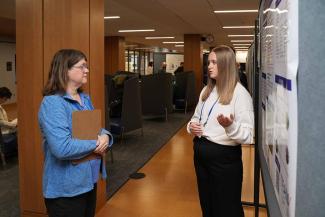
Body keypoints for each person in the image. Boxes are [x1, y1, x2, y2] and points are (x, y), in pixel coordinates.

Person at [38, 49, 113, 217]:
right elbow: (61, 148)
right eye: (82, 66)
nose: (87, 70)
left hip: (89, 181)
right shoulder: (52, 104)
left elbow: (96, 130)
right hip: (66, 190)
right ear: (65, 70)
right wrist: (96, 143)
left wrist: (106, 136)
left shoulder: (84, 98)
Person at [187, 45, 254, 217]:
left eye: (214, 62)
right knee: (207, 204)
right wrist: (191, 126)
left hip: (224, 161)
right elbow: (196, 117)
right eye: (209, 62)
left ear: (225, 65)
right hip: (201, 155)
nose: (209, 66)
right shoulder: (207, 90)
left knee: (227, 208)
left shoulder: (240, 94)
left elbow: (249, 135)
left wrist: (230, 126)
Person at [0, 87, 18, 151]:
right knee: (19, 131)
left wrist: (10, 121)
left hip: (5, 128)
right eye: (5, 99)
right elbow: (2, 122)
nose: (5, 101)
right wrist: (13, 124)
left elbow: (3, 120)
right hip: (2, 132)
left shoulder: (0, 105)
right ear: (1, 97)